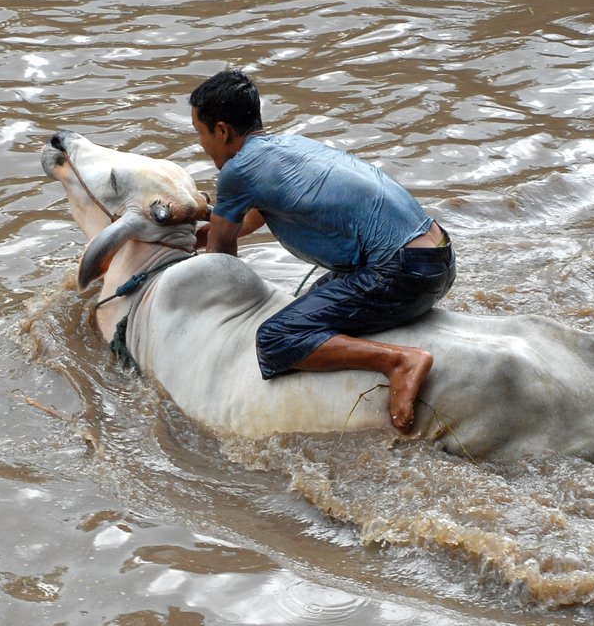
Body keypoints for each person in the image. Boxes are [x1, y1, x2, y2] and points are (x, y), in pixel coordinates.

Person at [189, 69, 455, 434]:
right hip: (437, 257)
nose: (201, 145)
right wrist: (198, 233)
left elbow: (221, 255)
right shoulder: (288, 146)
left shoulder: (238, 170)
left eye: (200, 134)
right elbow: (248, 219)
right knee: (313, 299)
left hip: (403, 272)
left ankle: (400, 362)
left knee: (276, 337)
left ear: (222, 131)